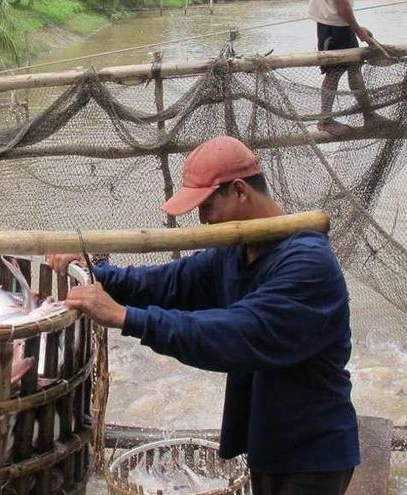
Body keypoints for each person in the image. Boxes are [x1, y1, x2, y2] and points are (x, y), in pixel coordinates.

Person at [48, 136, 359, 495]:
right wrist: (96, 274)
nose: (203, 220)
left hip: (313, 451)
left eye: (208, 205)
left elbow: (236, 333)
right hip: (267, 441)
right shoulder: (236, 251)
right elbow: (168, 282)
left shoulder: (308, 264)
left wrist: (126, 317)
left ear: (240, 191)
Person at [310, 0, 393, 135]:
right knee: (334, 71)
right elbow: (341, 4)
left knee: (354, 68)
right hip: (332, 27)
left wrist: (355, 27)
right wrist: (358, 30)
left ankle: (369, 115)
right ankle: (325, 120)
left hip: (340, 24)